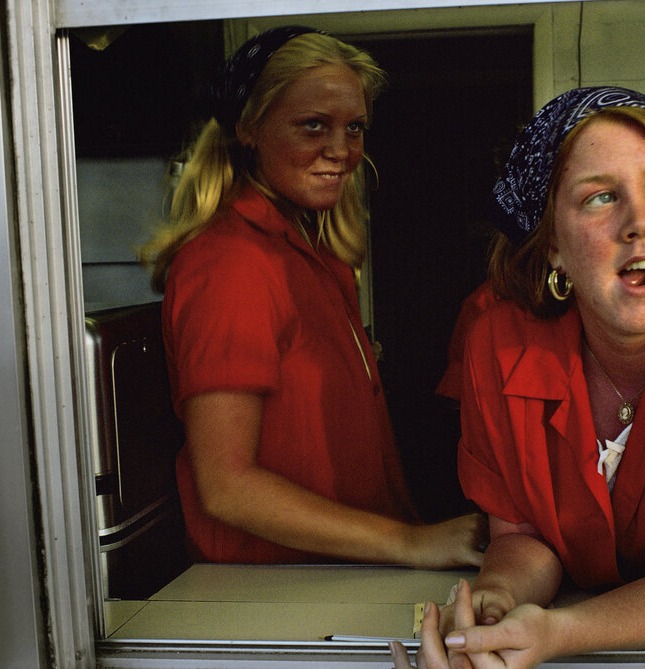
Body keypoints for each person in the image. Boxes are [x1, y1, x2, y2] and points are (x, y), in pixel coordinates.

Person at [392, 86, 645, 668]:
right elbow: (521, 539)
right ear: (552, 245)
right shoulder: (496, 338)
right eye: (601, 198)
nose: (641, 222)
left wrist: (558, 633)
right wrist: (495, 603)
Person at [141, 26, 486, 568]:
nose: (341, 151)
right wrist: (409, 542)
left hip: (341, 570)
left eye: (355, 128)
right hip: (275, 592)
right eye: (313, 126)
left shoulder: (313, 254)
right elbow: (227, 485)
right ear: (249, 128)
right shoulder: (231, 263)